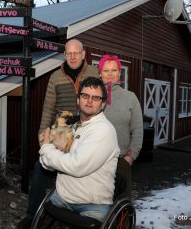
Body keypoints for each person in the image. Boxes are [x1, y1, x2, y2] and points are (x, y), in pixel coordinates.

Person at [17, 39, 98, 229]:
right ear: (64, 55)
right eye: (69, 53)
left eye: (76, 53)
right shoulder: (55, 76)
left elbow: (101, 102)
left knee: (79, 170)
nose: (72, 57)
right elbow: (48, 108)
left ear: (83, 54)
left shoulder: (94, 73)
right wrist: (41, 136)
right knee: (41, 167)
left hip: (87, 129)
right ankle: (32, 214)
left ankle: (75, 214)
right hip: (61, 129)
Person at [39, 76, 120, 222]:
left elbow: (76, 166)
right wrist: (48, 153)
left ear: (103, 104)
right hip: (63, 196)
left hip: (91, 205)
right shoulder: (68, 124)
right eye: (85, 96)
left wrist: (46, 149)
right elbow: (46, 164)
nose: (89, 101)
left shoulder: (104, 130)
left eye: (96, 98)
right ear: (78, 100)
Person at [98, 54, 143, 199]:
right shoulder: (93, 96)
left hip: (121, 161)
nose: (110, 74)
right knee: (98, 202)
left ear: (119, 73)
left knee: (121, 204)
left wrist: (131, 156)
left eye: (114, 70)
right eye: (106, 70)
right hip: (96, 160)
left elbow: (137, 129)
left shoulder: (130, 97)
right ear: (100, 74)